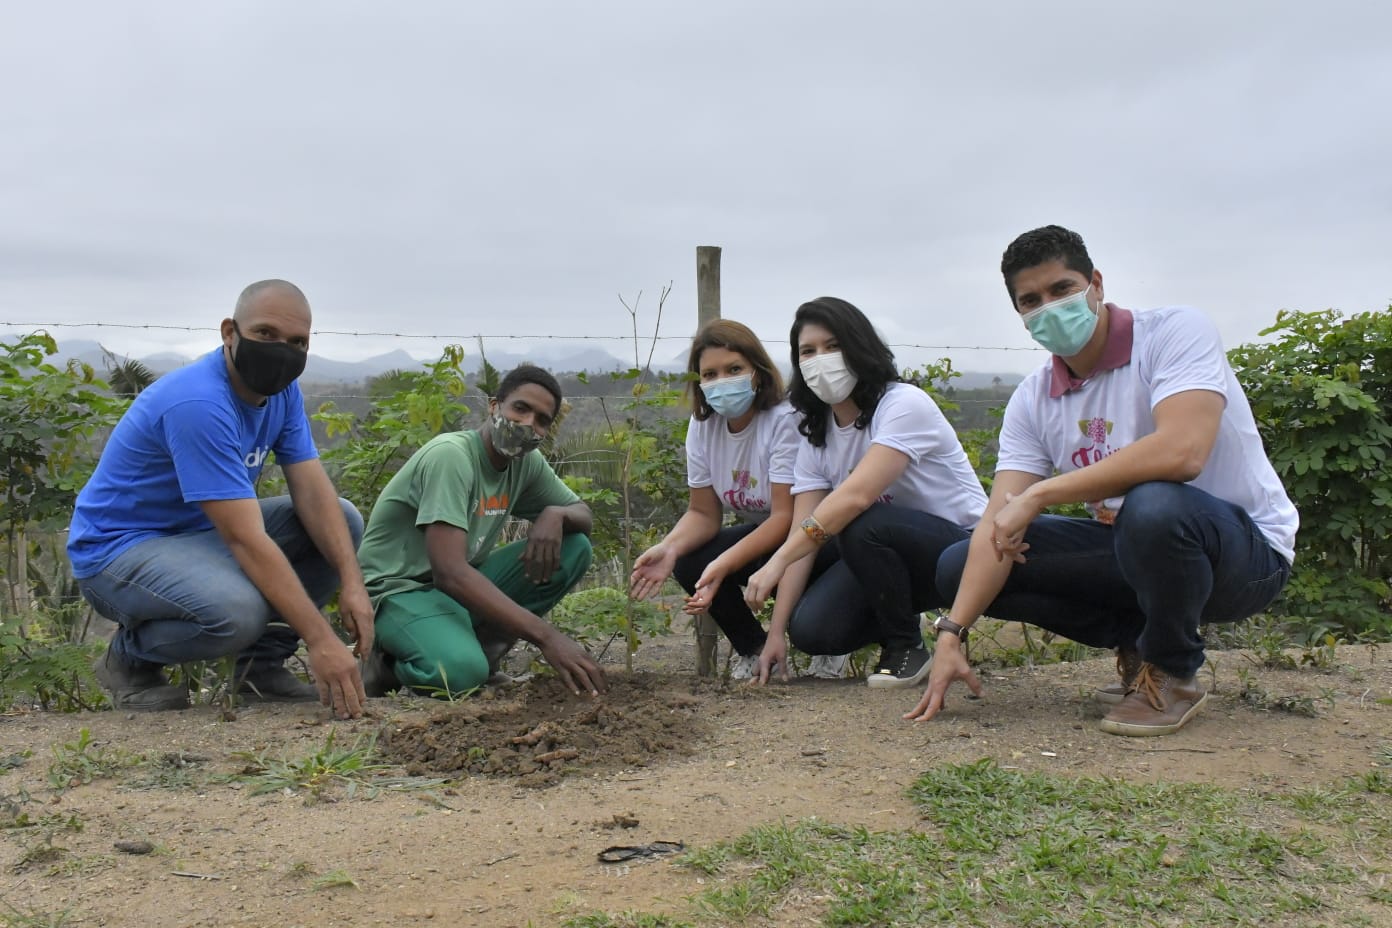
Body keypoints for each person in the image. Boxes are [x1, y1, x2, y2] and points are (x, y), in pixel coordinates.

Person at [906, 225, 1298, 737]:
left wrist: (1042, 493)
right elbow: (997, 521)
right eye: (1031, 300)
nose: (1048, 307)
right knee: (963, 562)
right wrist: (952, 633)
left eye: (1061, 289)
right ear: (1020, 314)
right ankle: (1140, 641)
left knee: (1154, 504)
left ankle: (1174, 671)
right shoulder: (1034, 399)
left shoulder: (1174, 333)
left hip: (1244, 555)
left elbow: (1184, 453)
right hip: (1137, 550)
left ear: (1096, 283)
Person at [69, 280, 372, 719]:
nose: (281, 350)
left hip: (195, 538)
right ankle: (129, 660)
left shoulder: (281, 393)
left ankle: (260, 671)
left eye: (297, 342)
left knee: (341, 520)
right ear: (229, 332)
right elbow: (245, 539)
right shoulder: (199, 402)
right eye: (265, 333)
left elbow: (312, 491)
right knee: (235, 613)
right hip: (118, 550)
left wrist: (353, 582)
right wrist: (321, 639)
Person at [744, 297, 988, 688]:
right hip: (890, 554)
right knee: (812, 632)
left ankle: (905, 646)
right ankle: (900, 614)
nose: (820, 359)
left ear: (859, 347)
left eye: (833, 346)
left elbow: (856, 496)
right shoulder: (817, 434)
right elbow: (801, 527)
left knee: (860, 519)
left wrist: (773, 564)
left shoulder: (903, 405)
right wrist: (776, 634)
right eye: (808, 351)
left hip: (962, 551)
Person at [356, 364, 606, 699]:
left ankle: (483, 659)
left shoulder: (524, 463)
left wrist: (556, 513)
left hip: (456, 588)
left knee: (575, 547)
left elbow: (583, 516)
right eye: (520, 408)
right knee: (457, 674)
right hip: (400, 590)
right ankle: (387, 663)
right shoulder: (452, 457)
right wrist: (547, 637)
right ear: (494, 406)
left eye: (542, 420)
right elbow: (449, 573)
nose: (528, 423)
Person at [630, 319, 842, 680]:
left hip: (819, 539)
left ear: (757, 372)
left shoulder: (784, 420)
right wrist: (669, 547)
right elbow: (702, 514)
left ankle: (834, 644)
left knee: (812, 623)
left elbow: (783, 518)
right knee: (688, 559)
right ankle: (756, 651)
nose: (721, 381)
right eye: (709, 374)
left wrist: (724, 564)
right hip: (771, 537)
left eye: (734, 369)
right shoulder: (702, 427)